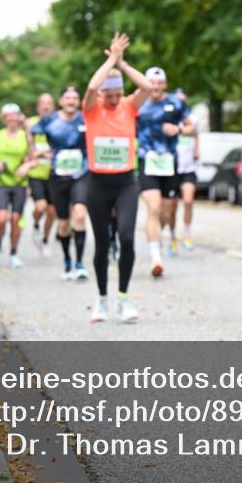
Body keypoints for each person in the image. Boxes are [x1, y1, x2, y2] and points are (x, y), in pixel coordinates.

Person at [83, 30, 152, 322]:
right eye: (108, 96)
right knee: (101, 243)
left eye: (116, 95)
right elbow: (90, 87)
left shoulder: (128, 106)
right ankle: (101, 300)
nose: (112, 100)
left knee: (126, 237)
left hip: (125, 182)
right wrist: (111, 58)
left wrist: (122, 65)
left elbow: (147, 86)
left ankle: (123, 299)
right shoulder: (92, 109)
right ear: (101, 95)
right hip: (97, 184)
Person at [136, 67, 195, 277]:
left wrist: (178, 130)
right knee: (153, 207)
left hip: (169, 162)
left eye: (159, 82)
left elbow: (191, 128)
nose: (155, 86)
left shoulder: (176, 103)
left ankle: (158, 235)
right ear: (145, 83)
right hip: (146, 159)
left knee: (167, 211)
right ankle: (156, 257)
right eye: (151, 81)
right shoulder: (138, 103)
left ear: (165, 85)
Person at [30, 87, 90, 281]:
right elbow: (30, 131)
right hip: (58, 176)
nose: (71, 101)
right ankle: (67, 261)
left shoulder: (85, 118)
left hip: (81, 174)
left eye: (75, 97)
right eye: (68, 98)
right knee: (63, 222)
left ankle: (80, 264)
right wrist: (37, 152)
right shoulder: (50, 120)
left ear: (79, 101)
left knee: (80, 215)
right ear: (61, 101)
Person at [0, 103, 33, 268]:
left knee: (16, 219)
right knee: (2, 218)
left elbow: (33, 157)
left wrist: (26, 166)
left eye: (15, 115)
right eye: (9, 116)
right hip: (2, 183)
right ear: (4, 119)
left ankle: (13, 253)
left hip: (20, 184)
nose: (12, 119)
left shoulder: (25, 136)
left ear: (19, 118)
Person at [166, 88, 198, 253]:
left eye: (183, 100)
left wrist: (197, 150)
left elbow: (194, 132)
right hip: (171, 168)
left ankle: (186, 234)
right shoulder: (167, 118)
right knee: (172, 208)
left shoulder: (191, 118)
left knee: (188, 201)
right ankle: (172, 238)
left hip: (188, 167)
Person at [26, 93, 57, 259]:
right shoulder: (30, 124)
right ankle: (36, 224)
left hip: (53, 174)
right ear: (38, 106)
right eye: (42, 103)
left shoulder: (58, 123)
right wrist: (42, 154)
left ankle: (45, 240)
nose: (46, 106)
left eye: (49, 103)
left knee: (52, 212)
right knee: (41, 206)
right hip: (36, 173)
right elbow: (30, 151)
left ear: (53, 106)